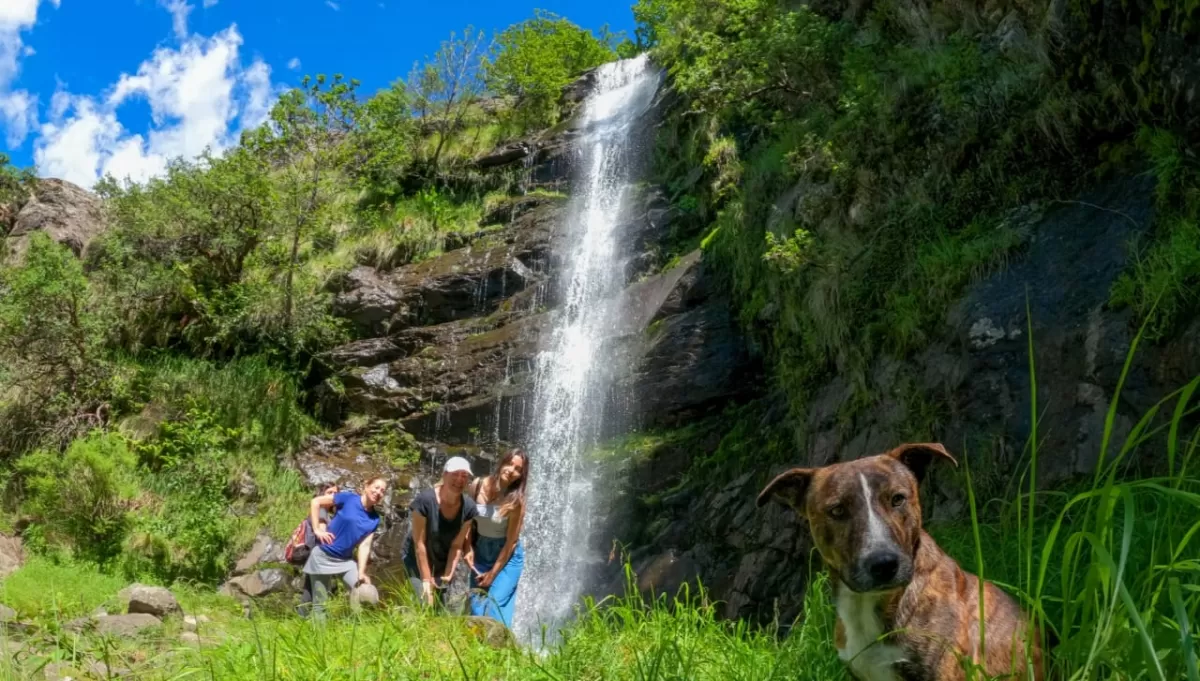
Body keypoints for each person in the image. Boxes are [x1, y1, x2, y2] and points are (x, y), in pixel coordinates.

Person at [301, 477, 387, 621]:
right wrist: (317, 529)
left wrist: (361, 571)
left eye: (382, 491)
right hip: (323, 556)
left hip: (345, 562)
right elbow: (316, 502)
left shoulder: (374, 519)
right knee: (320, 604)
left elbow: (365, 546)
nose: (378, 492)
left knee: (365, 592)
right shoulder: (348, 498)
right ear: (366, 486)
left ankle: (359, 629)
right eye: (376, 487)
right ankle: (319, 641)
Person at [401, 456, 478, 608]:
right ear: (444, 475)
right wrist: (426, 580)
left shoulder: (468, 507)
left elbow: (457, 545)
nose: (459, 480)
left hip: (442, 561)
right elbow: (419, 544)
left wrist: (448, 574)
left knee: (442, 608)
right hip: (416, 560)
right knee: (423, 602)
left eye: (464, 476)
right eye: (455, 474)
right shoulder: (425, 501)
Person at [464, 448, 528, 628]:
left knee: (494, 605)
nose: (511, 471)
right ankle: (475, 651)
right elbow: (468, 519)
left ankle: (500, 651)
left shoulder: (516, 502)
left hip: (507, 557)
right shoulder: (477, 485)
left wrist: (492, 574)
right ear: (502, 462)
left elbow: (511, 542)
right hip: (481, 551)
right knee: (476, 607)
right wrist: (467, 546)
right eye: (510, 464)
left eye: (518, 469)